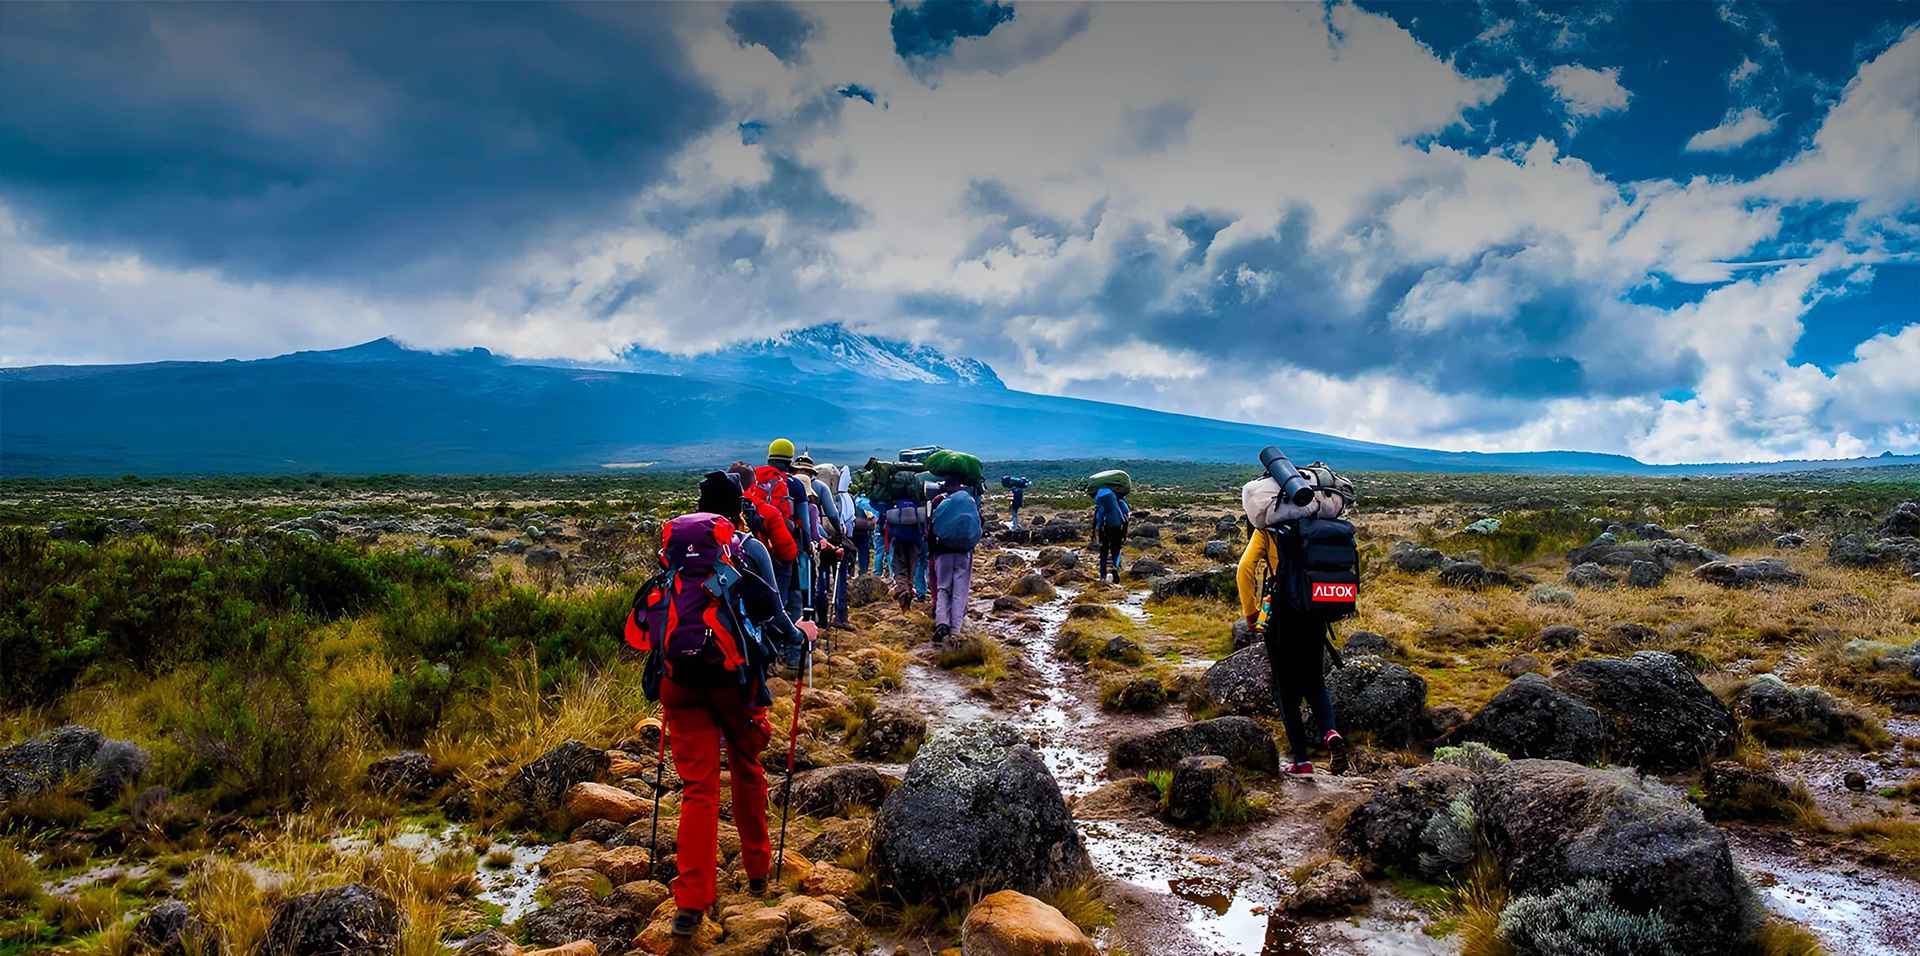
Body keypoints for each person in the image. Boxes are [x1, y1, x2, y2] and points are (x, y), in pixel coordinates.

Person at [644, 478, 815, 940]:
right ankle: (759, 871)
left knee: (698, 789)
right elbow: (775, 616)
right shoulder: (748, 547)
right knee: (746, 767)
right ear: (739, 508)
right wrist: (802, 635)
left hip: (679, 683)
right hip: (735, 682)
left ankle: (690, 905)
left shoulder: (678, 553)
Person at [1236, 517, 1346, 777]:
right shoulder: (1318, 523)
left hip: (1282, 615)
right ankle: (1330, 733)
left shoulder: (1267, 530)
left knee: (1285, 689)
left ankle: (1301, 761)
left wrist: (1251, 614)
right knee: (1315, 681)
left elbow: (1245, 569)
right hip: (1315, 611)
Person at [752, 440, 813, 620]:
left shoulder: (754, 479)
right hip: (786, 546)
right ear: (790, 459)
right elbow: (804, 522)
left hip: (755, 544)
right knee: (789, 592)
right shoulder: (795, 484)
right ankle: (789, 634)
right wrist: (807, 545)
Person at [927, 480, 982, 643]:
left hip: (942, 552)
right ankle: (955, 630)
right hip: (964, 552)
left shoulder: (941, 502)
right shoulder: (970, 501)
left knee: (943, 588)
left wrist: (932, 552)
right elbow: (979, 526)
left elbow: (931, 527)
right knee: (960, 592)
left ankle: (941, 623)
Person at [1092, 483, 1129, 583]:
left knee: (1104, 552)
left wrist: (1097, 531)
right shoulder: (1121, 502)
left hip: (1105, 529)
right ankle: (1115, 568)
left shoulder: (1102, 503)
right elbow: (1126, 515)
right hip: (1118, 529)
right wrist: (1124, 534)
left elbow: (1099, 517)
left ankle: (1103, 575)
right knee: (1116, 551)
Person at [851, 494, 876, 576]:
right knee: (864, 554)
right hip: (863, 532)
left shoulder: (851, 500)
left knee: (851, 553)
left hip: (851, 531)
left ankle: (850, 573)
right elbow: (872, 519)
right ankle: (863, 573)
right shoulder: (866, 503)